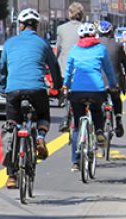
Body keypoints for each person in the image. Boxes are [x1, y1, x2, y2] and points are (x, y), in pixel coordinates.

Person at [0, 8, 63, 189]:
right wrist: (57, 86)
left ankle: (11, 176)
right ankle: (41, 137)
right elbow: (54, 67)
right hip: (37, 89)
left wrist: (4, 88)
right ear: (36, 26)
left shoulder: (10, 43)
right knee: (43, 115)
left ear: (20, 25)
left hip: (14, 90)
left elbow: (3, 67)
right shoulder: (43, 44)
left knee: (12, 127)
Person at [63, 22, 117, 172]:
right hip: (96, 90)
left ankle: (75, 162)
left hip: (77, 90)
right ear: (94, 35)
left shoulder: (74, 50)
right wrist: (113, 84)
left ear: (80, 36)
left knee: (77, 126)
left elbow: (68, 72)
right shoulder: (101, 49)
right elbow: (108, 70)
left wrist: (66, 86)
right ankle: (99, 131)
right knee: (97, 110)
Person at [56, 2, 85, 134]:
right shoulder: (85, 28)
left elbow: (59, 48)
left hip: (65, 67)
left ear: (69, 14)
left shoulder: (61, 29)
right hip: (82, 68)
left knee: (67, 89)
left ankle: (66, 114)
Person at [98, 20, 126, 137]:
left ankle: (99, 128)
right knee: (116, 99)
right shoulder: (118, 46)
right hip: (115, 81)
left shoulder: (95, 45)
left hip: (98, 82)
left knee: (97, 104)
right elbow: (125, 62)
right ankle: (118, 121)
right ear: (111, 32)